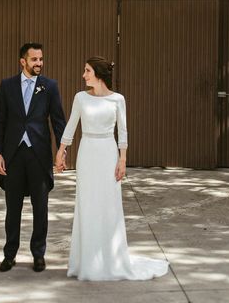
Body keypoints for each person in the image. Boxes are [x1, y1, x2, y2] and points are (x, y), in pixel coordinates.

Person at [54, 56, 169, 281]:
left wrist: (122, 159)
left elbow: (123, 132)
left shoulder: (118, 100)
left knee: (108, 206)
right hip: (87, 153)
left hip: (108, 153)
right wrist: (61, 150)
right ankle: (86, 262)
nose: (83, 75)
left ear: (98, 74)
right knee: (87, 205)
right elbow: (71, 126)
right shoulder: (80, 98)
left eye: (87, 71)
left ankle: (110, 259)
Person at [0, 42, 66, 273]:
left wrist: (61, 151)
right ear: (22, 61)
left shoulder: (49, 86)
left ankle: (38, 254)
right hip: (13, 155)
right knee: (12, 209)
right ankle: (10, 254)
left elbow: (58, 121)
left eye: (41, 59)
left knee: (40, 207)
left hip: (39, 155)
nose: (39, 63)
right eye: (34, 59)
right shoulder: (7, 86)